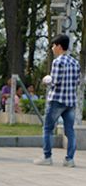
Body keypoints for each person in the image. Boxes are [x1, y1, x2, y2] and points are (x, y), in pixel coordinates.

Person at [34, 34, 81, 167]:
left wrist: (46, 79)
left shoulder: (57, 62)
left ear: (59, 46)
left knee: (48, 128)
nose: (52, 48)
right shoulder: (75, 62)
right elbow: (77, 82)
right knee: (70, 130)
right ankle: (69, 159)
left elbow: (55, 81)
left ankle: (47, 156)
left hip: (57, 100)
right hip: (70, 101)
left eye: (54, 46)